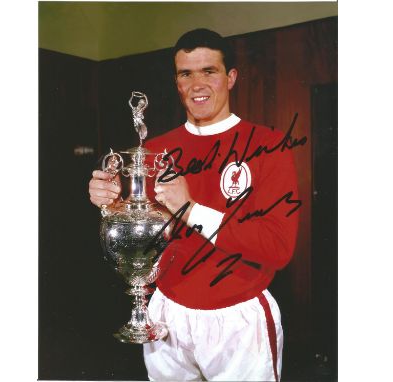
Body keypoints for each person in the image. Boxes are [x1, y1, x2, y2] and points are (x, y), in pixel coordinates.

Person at [89, 28, 299, 381]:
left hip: (238, 315)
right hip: (166, 311)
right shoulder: (155, 150)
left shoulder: (268, 145)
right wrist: (108, 200)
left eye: (209, 71)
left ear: (231, 78)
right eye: (186, 73)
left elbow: (278, 247)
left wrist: (190, 209)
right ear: (177, 82)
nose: (197, 84)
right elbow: (149, 233)